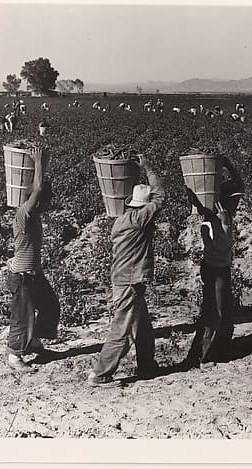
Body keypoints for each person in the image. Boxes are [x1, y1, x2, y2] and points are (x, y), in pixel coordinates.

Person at [88, 154, 165, 388]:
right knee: (122, 331)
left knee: (143, 327)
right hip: (130, 281)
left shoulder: (122, 219)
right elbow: (161, 196)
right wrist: (148, 167)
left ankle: (147, 364)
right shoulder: (139, 220)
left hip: (126, 279)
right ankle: (100, 375)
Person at [185, 156, 245, 369]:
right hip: (215, 271)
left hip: (223, 270)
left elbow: (240, 185)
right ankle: (204, 356)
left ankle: (221, 349)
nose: (237, 203)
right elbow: (221, 246)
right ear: (224, 201)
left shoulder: (222, 217)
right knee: (215, 312)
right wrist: (224, 222)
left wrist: (228, 164)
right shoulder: (211, 223)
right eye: (233, 200)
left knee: (226, 312)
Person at [6, 146, 60, 372]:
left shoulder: (34, 215)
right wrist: (37, 161)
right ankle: (14, 356)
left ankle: (35, 340)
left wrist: (41, 166)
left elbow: (38, 188)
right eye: (46, 202)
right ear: (37, 201)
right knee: (22, 318)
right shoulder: (24, 214)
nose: (49, 206)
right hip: (22, 277)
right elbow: (37, 188)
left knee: (50, 306)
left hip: (33, 275)